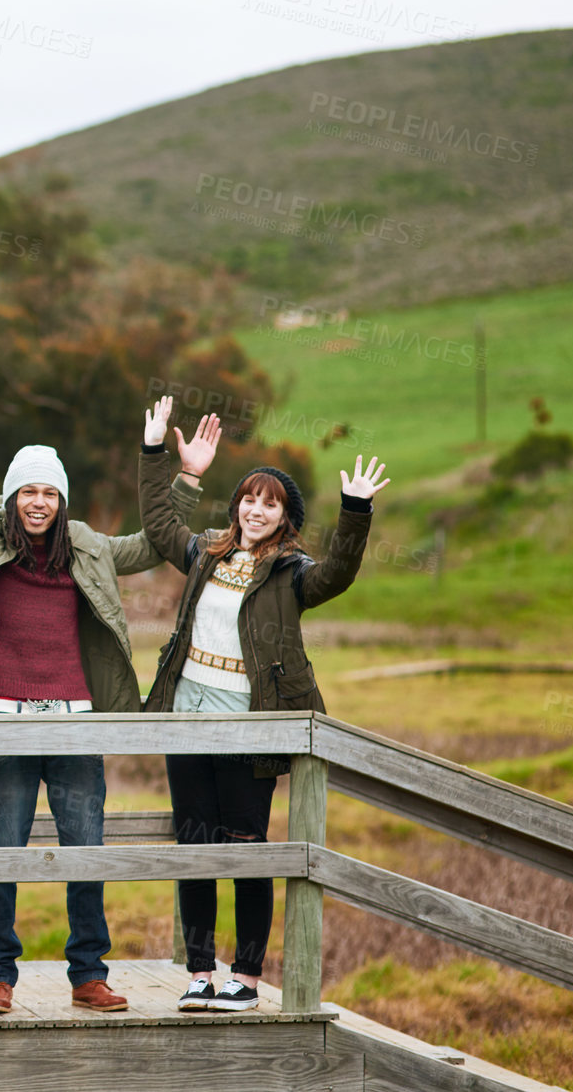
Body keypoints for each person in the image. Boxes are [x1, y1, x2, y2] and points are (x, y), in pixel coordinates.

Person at [0, 304, 205, 1017]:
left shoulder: (89, 547)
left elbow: (158, 540)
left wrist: (179, 477)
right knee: (2, 848)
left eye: (50, 491)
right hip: (3, 721)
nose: (38, 502)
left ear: (61, 498)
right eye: (28, 491)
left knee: (86, 849)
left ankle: (87, 974)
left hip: (76, 722)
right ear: (12, 496)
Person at [139, 395, 384, 1012]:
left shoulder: (292, 573)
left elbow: (341, 574)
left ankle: (245, 979)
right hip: (188, 714)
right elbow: (157, 525)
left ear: (285, 518)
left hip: (251, 724)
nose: (256, 509)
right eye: (249, 498)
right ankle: (199, 971)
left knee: (248, 846)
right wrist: (164, 460)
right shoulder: (205, 553)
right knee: (194, 847)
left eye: (270, 503)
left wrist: (355, 512)